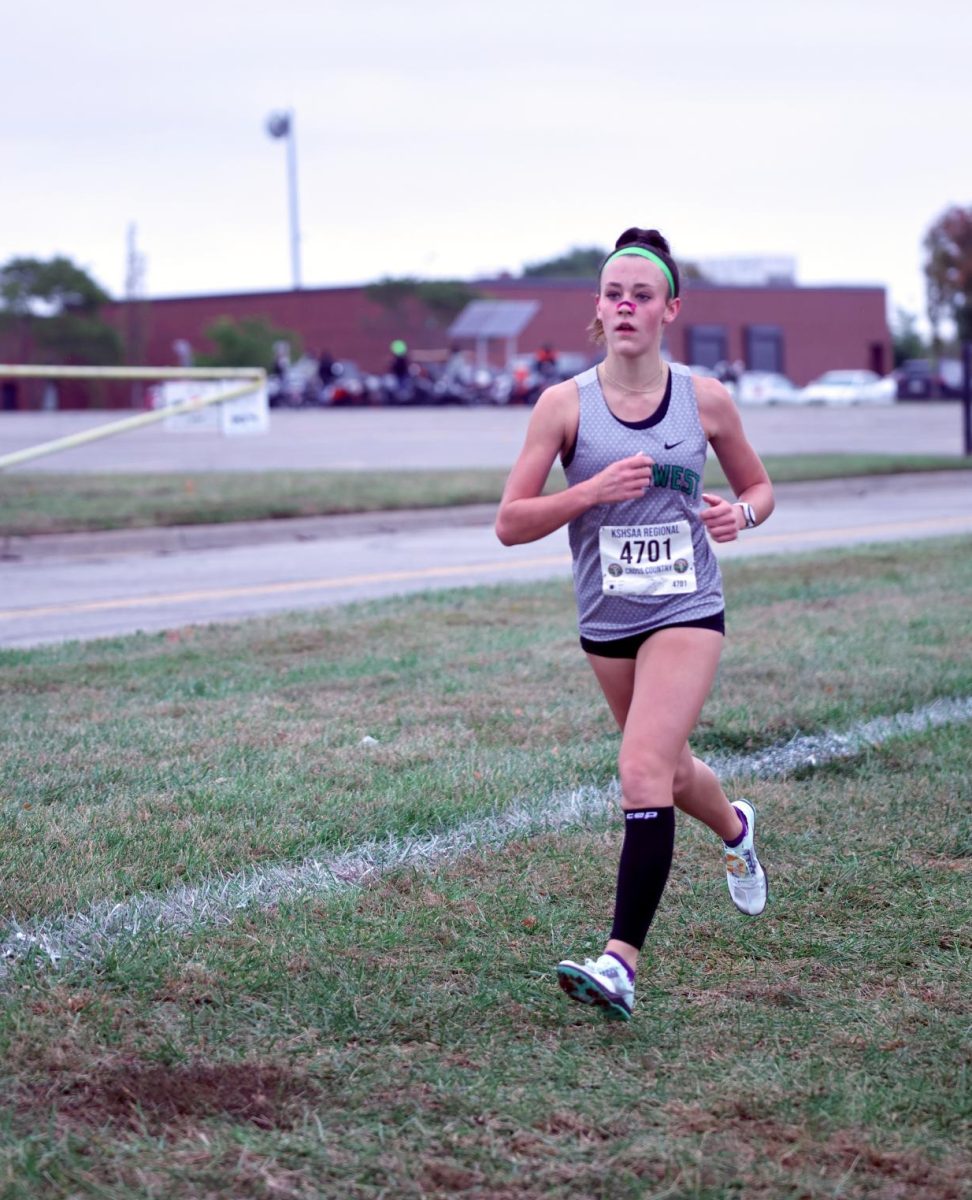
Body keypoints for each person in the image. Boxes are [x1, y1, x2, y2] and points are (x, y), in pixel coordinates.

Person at [495, 227, 774, 1021]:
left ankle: (620, 963)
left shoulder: (705, 399)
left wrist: (739, 517)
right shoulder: (563, 406)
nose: (625, 304)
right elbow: (510, 523)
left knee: (641, 771)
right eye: (613, 293)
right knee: (674, 772)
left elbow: (760, 489)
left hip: (688, 608)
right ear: (598, 310)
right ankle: (735, 826)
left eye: (641, 294)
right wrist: (589, 491)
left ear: (669, 310)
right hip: (608, 617)